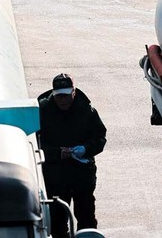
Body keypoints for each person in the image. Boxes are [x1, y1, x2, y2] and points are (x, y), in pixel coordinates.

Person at [38, 73, 107, 237]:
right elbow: (34, 144)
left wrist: (85, 149)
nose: (63, 100)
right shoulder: (42, 112)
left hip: (81, 176)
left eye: (66, 96)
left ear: (73, 93)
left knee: (87, 219)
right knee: (57, 224)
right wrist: (57, 153)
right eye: (59, 96)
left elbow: (100, 138)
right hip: (55, 179)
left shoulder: (86, 110)